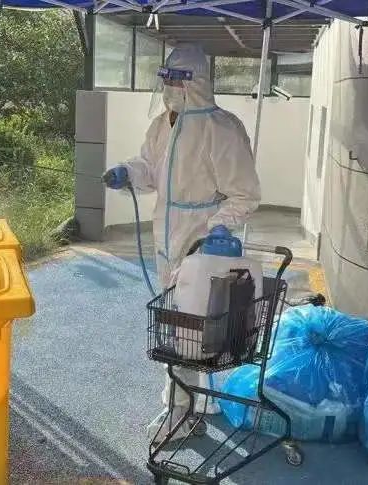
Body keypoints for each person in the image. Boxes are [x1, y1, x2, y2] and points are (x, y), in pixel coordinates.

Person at [103, 45, 261, 441]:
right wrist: (128, 172)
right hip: (167, 235)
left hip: (202, 241)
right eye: (166, 79)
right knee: (176, 324)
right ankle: (185, 401)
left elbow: (245, 194)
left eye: (176, 80)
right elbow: (150, 167)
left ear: (196, 83)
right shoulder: (163, 124)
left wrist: (218, 227)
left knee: (189, 329)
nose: (169, 87)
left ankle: (182, 409)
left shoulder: (221, 129)